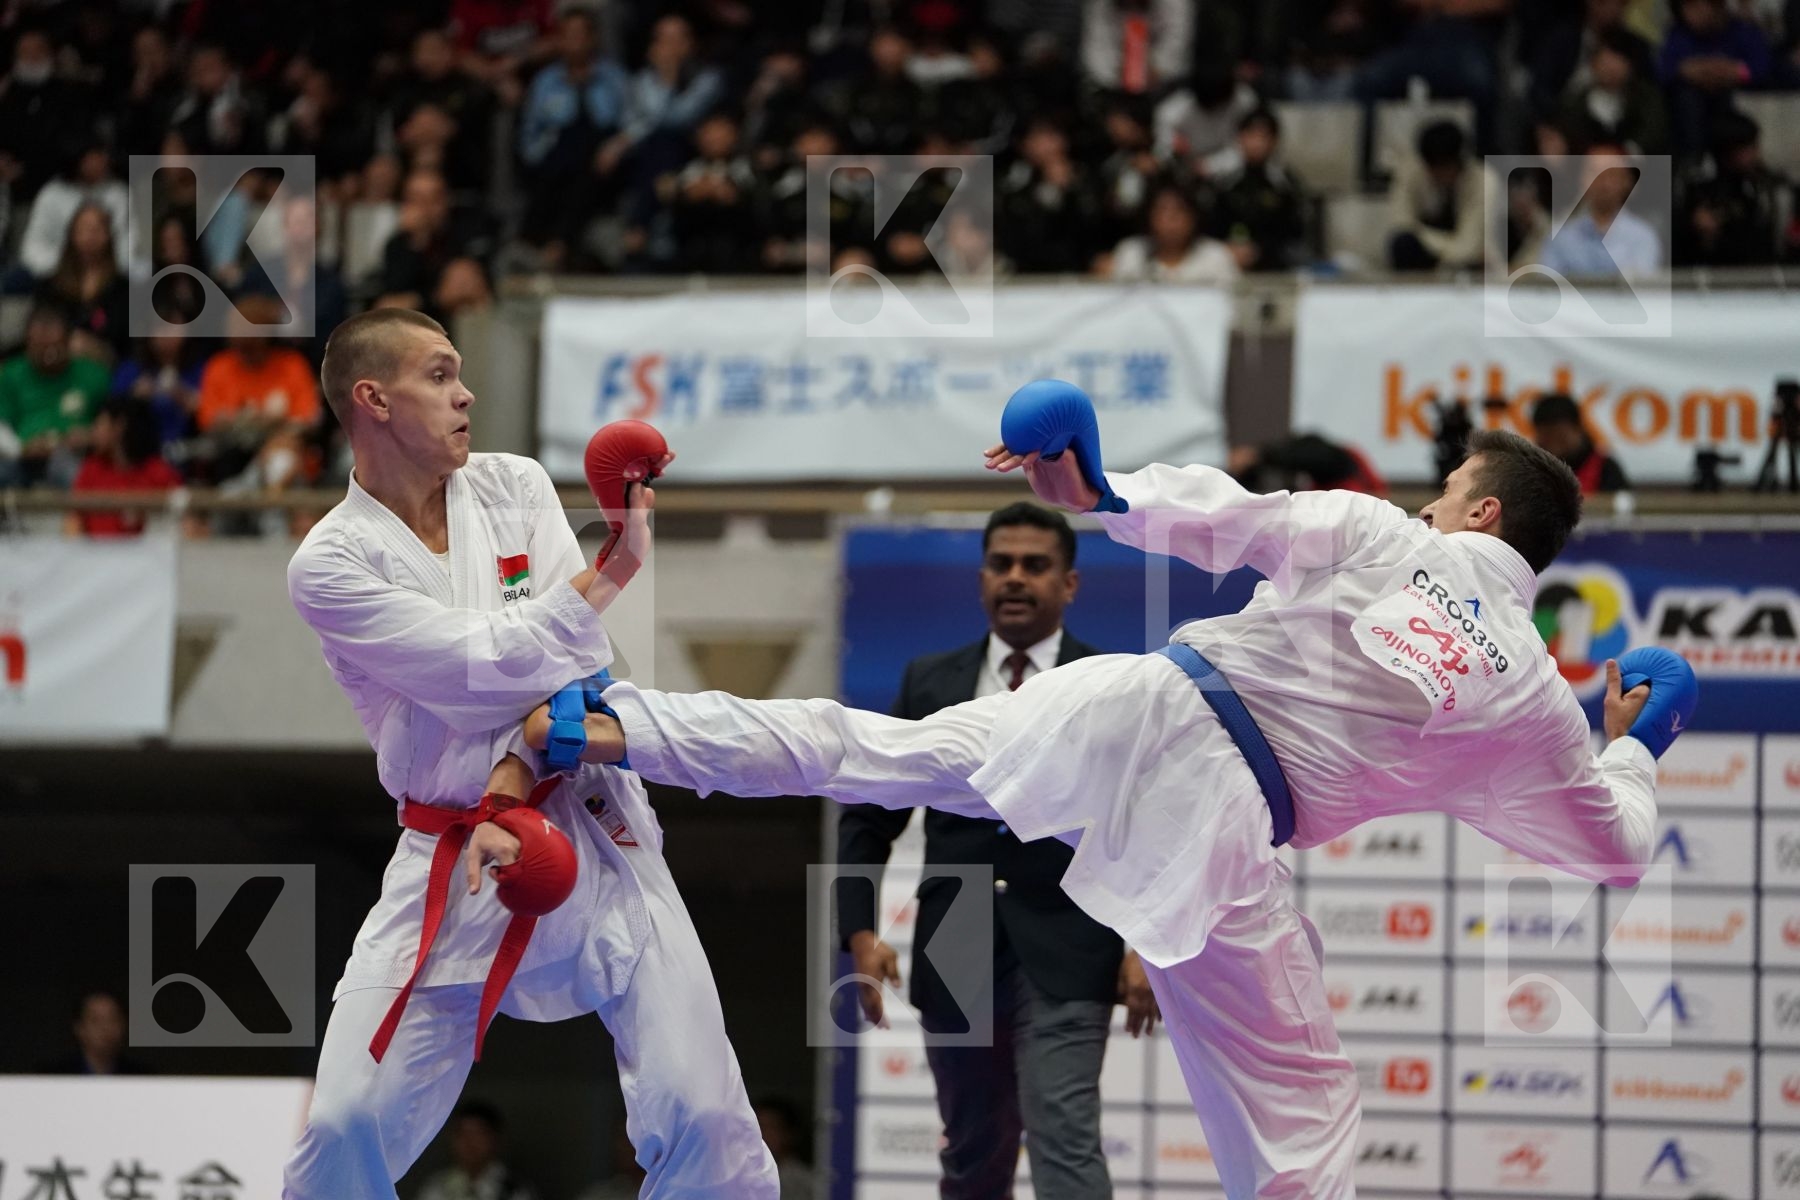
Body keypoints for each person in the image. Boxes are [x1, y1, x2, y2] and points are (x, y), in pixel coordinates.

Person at [554, 425, 1675, 1199]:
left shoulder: (1389, 539)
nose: (1429, 505)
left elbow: (1236, 517)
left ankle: (617, 724)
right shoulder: (1530, 696)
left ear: (1476, 509)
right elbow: (1617, 846)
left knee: (879, 751)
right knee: (1308, 1126)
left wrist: (1105, 493)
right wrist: (1636, 745)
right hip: (1230, 830)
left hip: (1144, 705)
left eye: (1445, 494)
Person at [282, 308, 776, 1199]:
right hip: (449, 849)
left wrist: (514, 786)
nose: (466, 392)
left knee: (705, 1112)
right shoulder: (331, 564)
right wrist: (609, 574)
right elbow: (476, 669)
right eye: (438, 375)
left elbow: (577, 669)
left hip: (589, 822)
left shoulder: (512, 486)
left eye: (461, 371)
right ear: (373, 399)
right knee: (340, 1124)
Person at [838, 502, 1152, 1199]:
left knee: (1065, 1142)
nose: (1016, 578)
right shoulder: (930, 682)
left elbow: (1150, 821)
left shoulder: (1111, 683)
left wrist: (1144, 946)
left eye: (1035, 566)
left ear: (1069, 584)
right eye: (1002, 564)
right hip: (953, 948)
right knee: (973, 1154)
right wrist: (859, 930)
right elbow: (867, 812)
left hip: (1072, 947)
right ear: (981, 578)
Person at [0, 305, 110, 489]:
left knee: (76, 472)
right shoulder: (10, 374)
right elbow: (1, 425)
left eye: (53, 345)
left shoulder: (94, 374)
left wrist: (90, 436)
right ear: (27, 343)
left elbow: (112, 425)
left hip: (74, 455)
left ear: (68, 342)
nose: (47, 353)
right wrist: (21, 449)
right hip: (21, 458)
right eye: (39, 346)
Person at [1537, 139, 1663, 279]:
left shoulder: (1642, 238)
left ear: (1627, 182)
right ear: (1581, 179)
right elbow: (1549, 292)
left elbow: (1642, 293)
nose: (1604, 183)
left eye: (1612, 175)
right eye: (1595, 174)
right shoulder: (1559, 238)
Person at [66, 396, 183, 538]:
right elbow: (74, 519)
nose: (94, 432)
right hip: (94, 556)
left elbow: (183, 520)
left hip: (146, 556)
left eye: (99, 424)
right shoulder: (91, 468)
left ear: (119, 426)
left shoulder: (158, 472)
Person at [1386, 120, 1495, 272]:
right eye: (1434, 169)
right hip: (1429, 254)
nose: (1439, 176)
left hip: (1469, 263)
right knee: (1403, 244)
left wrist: (1420, 234)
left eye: (1445, 167)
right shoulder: (1411, 171)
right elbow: (1400, 226)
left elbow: (1469, 248)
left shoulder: (1484, 180)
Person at [414, 1102, 539, 1200]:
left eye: (478, 1134)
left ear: (495, 1138)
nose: (470, 1143)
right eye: (463, 1134)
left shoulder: (514, 1190)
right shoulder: (436, 1188)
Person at [1531, 392, 1630, 495]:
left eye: (1559, 435)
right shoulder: (1530, 471)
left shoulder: (1606, 470)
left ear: (1578, 430)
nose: (1553, 445)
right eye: (1546, 435)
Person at [39, 991, 153, 1075]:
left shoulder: (140, 1076)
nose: (105, 1028)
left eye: (113, 1019)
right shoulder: (54, 1075)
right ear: (79, 1027)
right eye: (95, 1020)